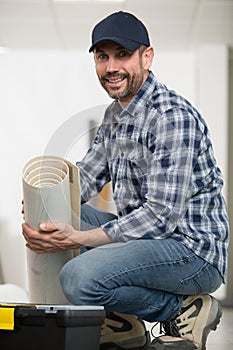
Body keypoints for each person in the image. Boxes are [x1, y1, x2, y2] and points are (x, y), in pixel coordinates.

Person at [22, 11, 229, 350]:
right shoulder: (115, 115)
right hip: (151, 242)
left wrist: (81, 236)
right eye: (102, 57)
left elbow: (161, 217)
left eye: (122, 54)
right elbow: (85, 177)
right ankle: (124, 324)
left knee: (79, 278)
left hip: (192, 250)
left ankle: (184, 310)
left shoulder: (171, 117)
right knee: (58, 216)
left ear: (146, 57)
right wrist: (40, 209)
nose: (111, 67)